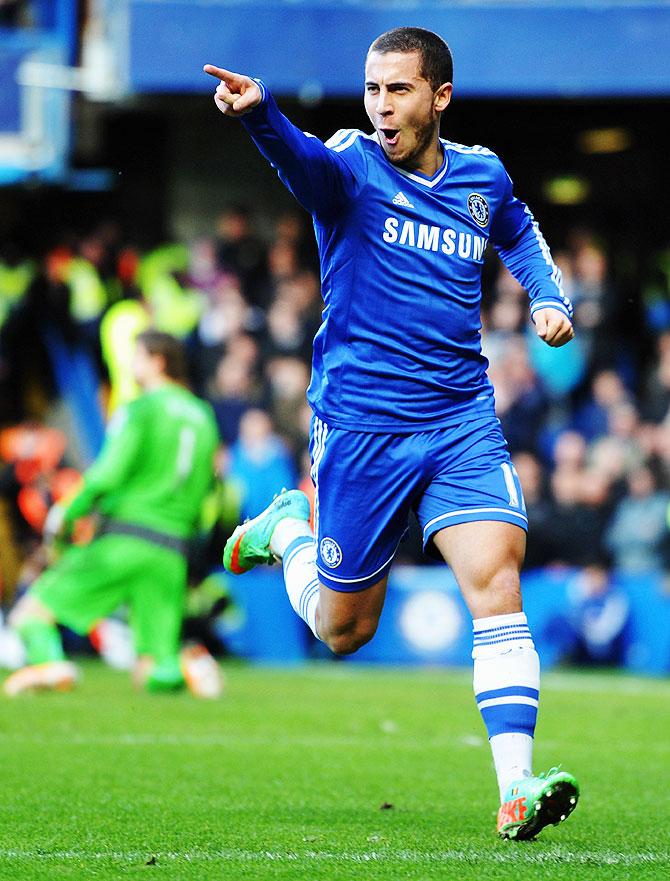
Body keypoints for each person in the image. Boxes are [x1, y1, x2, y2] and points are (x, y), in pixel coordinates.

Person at [205, 26, 579, 839]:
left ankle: (516, 788)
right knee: (345, 630)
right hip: (363, 426)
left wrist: (547, 296)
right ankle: (290, 531)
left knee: (497, 582)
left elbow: (516, 227)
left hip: (459, 420)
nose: (381, 106)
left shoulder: (482, 176)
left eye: (399, 89)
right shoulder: (351, 165)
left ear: (439, 96)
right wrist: (260, 114)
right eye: (373, 88)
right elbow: (304, 167)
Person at [3, 330, 222, 698]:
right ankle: (185, 668)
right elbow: (206, 491)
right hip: (171, 549)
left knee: (31, 614)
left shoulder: (141, 409)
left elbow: (108, 472)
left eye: (136, 356)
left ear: (157, 361)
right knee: (151, 668)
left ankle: (48, 662)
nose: (130, 365)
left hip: (125, 538)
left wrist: (67, 512)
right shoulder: (203, 417)